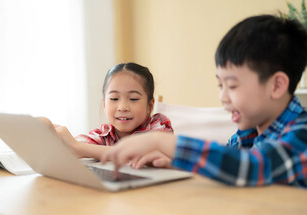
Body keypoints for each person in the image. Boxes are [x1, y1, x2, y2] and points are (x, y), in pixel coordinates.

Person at [101, 14, 307, 188]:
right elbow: (227, 164)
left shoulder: (301, 134)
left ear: (277, 86)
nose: (223, 97)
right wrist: (175, 164)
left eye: (232, 86)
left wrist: (159, 141)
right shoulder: (249, 132)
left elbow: (250, 167)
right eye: (220, 85)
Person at [38, 62, 173, 163]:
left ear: (150, 105)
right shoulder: (104, 135)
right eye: (114, 98)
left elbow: (141, 154)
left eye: (133, 99)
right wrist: (57, 140)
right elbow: (76, 145)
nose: (122, 107)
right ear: (104, 104)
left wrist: (77, 147)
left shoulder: (159, 126)